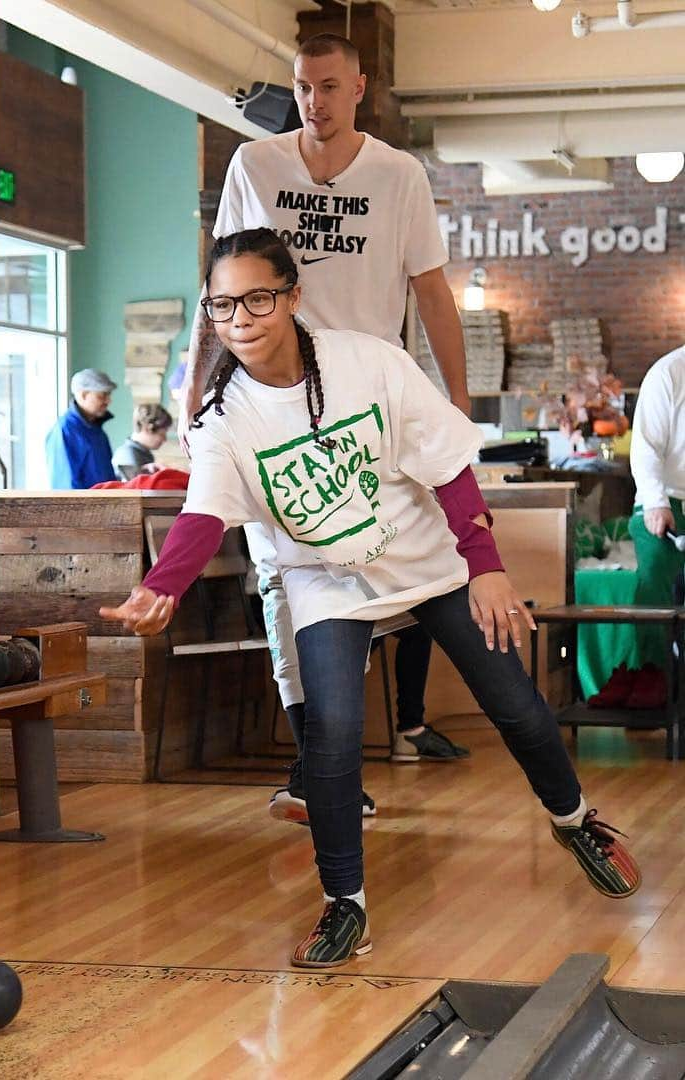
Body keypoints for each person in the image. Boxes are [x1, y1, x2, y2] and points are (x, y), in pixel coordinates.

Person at [101, 230, 640, 967]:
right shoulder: (223, 422)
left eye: (259, 298)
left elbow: (447, 464)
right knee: (332, 731)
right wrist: (161, 585)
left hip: (428, 558)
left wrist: (485, 565)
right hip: (326, 576)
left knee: (514, 702)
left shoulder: (366, 362)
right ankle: (344, 905)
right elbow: (202, 516)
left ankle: (574, 820)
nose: (242, 318)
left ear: (294, 297)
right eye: (223, 305)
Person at [181, 33, 474, 813]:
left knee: (374, 576)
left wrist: (459, 398)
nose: (317, 102)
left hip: (368, 401)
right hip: (269, 393)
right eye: (306, 87)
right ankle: (320, 766)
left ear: (361, 89)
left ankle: (347, 757)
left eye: (332, 87)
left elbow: (434, 293)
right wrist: (193, 388)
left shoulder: (397, 174)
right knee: (281, 579)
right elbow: (219, 281)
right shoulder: (255, 165)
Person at [628, 344, 685, 681]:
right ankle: (653, 682)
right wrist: (655, 502)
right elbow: (645, 445)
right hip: (663, 503)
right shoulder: (668, 372)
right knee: (655, 587)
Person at [46, 369, 118, 490]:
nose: (108, 401)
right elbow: (65, 487)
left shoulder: (98, 432)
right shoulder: (64, 431)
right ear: (83, 395)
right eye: (102, 395)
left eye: (108, 395)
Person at [112, 403, 174, 480]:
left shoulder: (141, 453)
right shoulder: (128, 454)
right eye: (162, 434)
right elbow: (135, 489)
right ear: (147, 428)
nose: (165, 439)